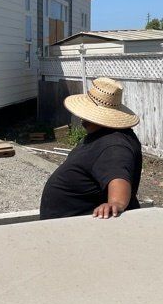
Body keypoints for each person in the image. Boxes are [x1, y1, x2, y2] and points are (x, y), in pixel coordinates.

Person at [39, 77, 142, 220]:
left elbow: (118, 179)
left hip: (82, 227)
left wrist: (115, 203)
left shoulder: (114, 146)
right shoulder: (102, 134)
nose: (82, 118)